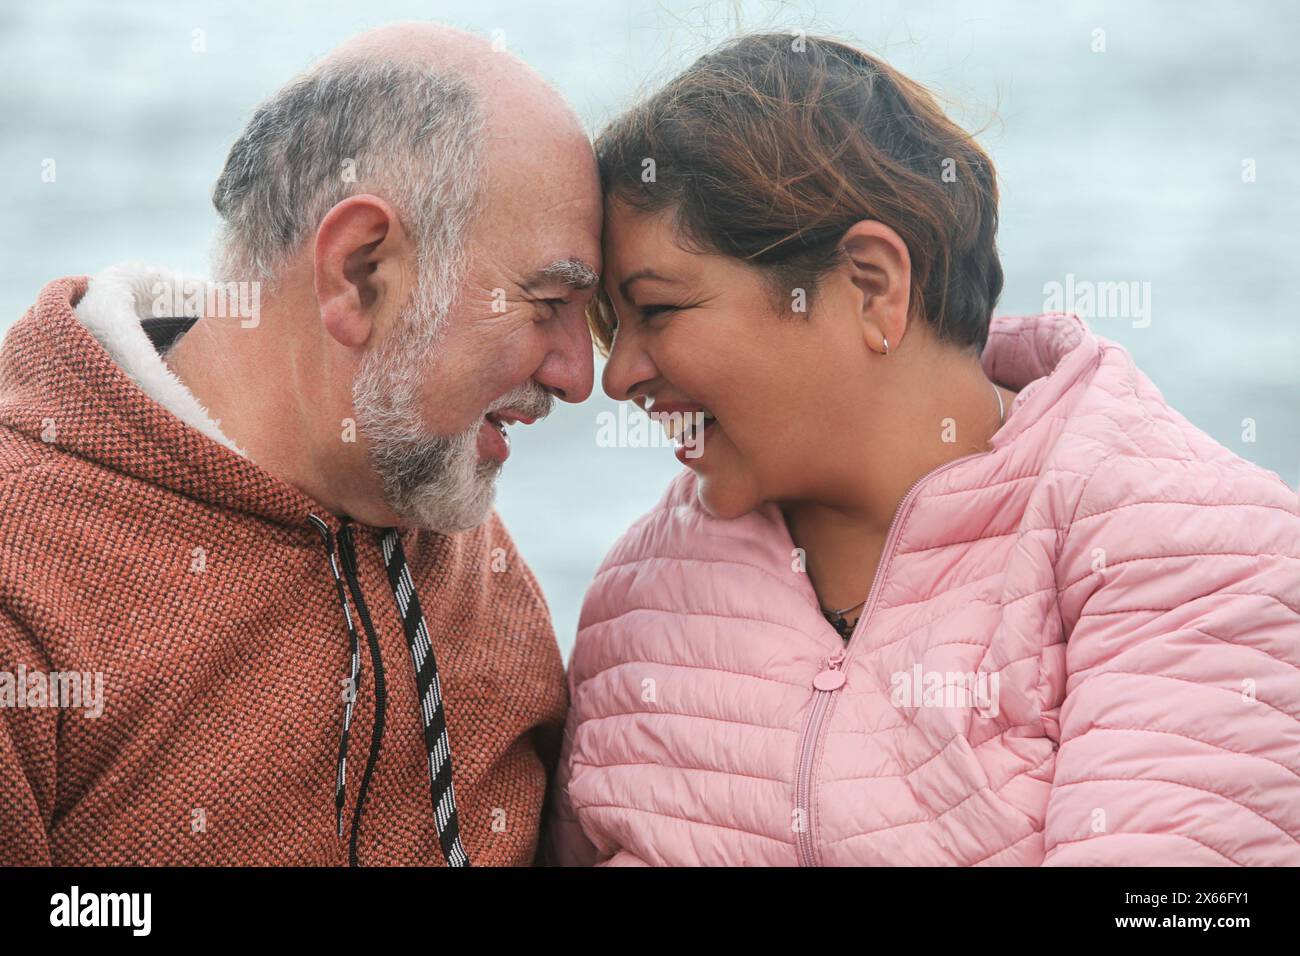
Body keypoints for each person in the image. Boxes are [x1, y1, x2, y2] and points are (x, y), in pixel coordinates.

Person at [546, 33, 1300, 866]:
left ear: (871, 284)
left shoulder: (1192, 548)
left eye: (655, 311)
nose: (616, 378)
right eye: (612, 328)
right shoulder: (634, 603)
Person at [0, 22, 602, 865]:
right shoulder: (24, 583)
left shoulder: (459, 535)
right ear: (361, 273)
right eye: (547, 304)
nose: (581, 377)